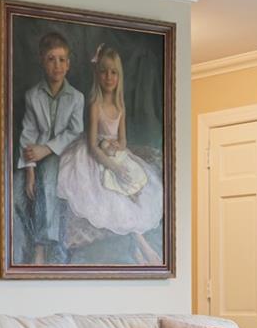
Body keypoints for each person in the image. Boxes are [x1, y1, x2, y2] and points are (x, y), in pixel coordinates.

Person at [54, 45, 164, 264]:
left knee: (138, 186)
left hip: (115, 152)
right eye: (104, 71)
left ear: (119, 76)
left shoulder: (119, 104)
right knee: (115, 190)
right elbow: (93, 144)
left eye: (113, 72)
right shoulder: (95, 104)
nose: (108, 77)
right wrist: (112, 164)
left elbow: (123, 140)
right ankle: (143, 246)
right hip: (96, 153)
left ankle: (138, 249)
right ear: (98, 74)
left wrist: (117, 147)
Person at [15, 30, 85, 264]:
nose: (57, 65)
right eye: (51, 59)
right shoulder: (33, 95)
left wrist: (46, 149)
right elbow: (28, 134)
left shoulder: (76, 97)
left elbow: (75, 132)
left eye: (62, 60)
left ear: (68, 65)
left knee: (51, 174)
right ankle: (39, 245)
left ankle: (42, 246)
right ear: (42, 62)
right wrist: (30, 170)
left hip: (69, 152)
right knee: (33, 183)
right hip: (39, 155)